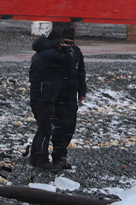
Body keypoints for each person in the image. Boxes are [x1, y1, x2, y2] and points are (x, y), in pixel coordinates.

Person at [28, 29, 64, 170]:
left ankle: (35, 157)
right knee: (46, 129)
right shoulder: (49, 55)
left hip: (39, 95)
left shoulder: (40, 53)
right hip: (45, 97)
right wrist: (67, 51)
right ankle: (41, 160)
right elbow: (66, 60)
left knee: (43, 128)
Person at [52, 26, 86, 170]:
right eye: (65, 42)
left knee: (70, 127)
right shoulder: (55, 53)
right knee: (61, 127)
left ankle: (62, 154)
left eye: (70, 43)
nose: (68, 46)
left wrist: (82, 91)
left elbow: (81, 73)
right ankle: (58, 156)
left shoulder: (77, 52)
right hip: (58, 96)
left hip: (72, 96)